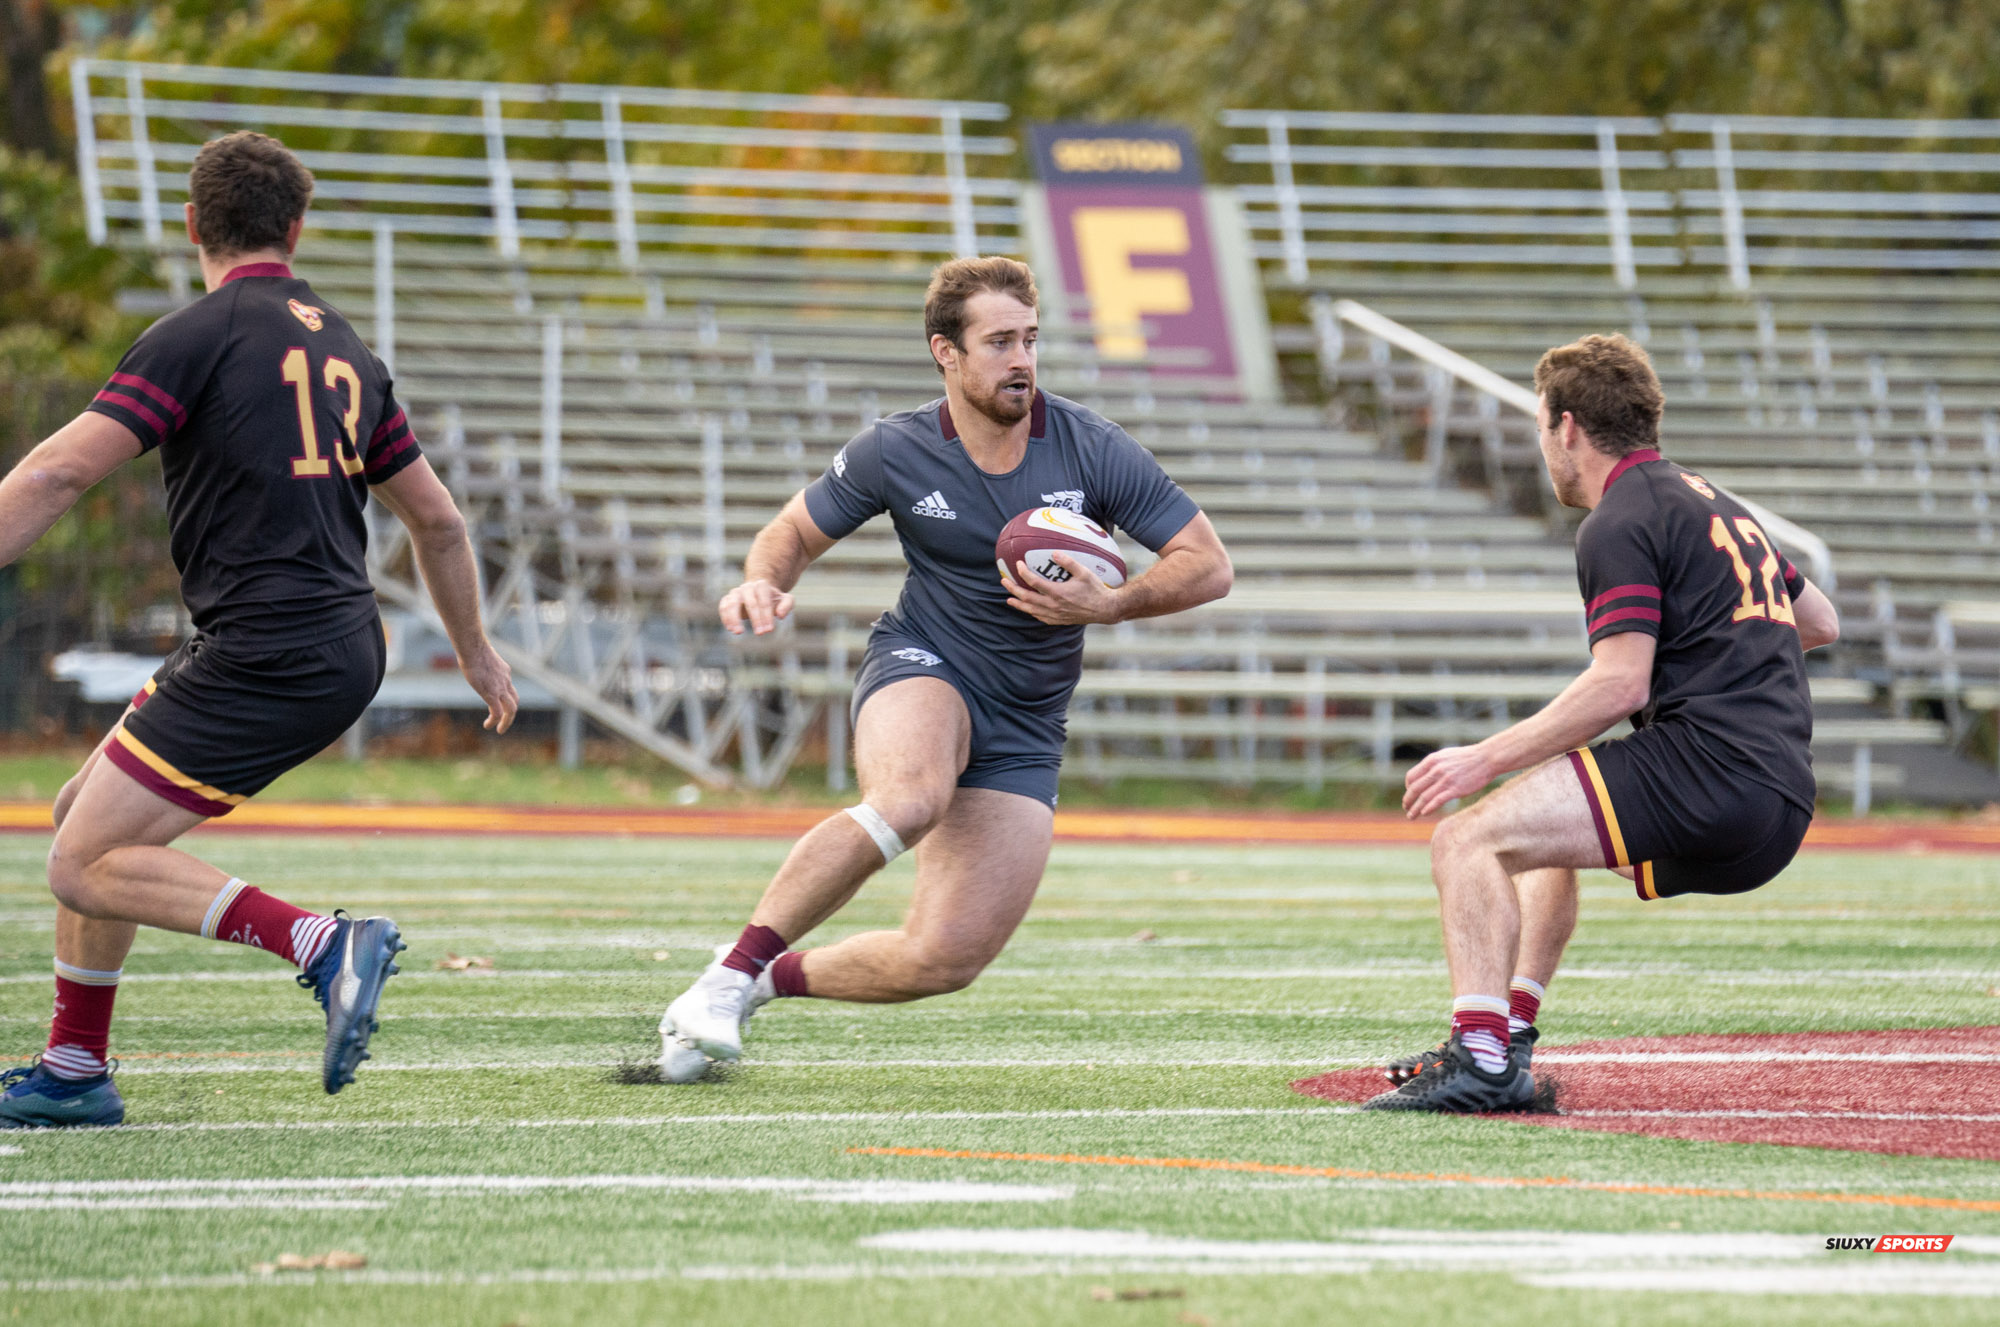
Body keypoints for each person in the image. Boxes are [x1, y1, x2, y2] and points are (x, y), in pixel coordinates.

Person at [0, 131, 518, 1128]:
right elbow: (439, 522)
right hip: (326, 642)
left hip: (269, 649)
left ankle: (322, 945)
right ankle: (72, 1068)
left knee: (77, 859)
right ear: (296, 226)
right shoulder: (347, 348)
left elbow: (60, 472)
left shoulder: (196, 334)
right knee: (83, 819)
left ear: (194, 225)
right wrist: (475, 651)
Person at [657, 256, 1232, 1080]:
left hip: (1028, 716)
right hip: (925, 660)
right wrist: (762, 581)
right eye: (999, 342)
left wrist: (1114, 604)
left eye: (1030, 340)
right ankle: (728, 974)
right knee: (911, 796)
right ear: (946, 352)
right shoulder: (897, 449)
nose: (1022, 360)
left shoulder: (1091, 446)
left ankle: (760, 980)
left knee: (943, 958)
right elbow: (790, 532)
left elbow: (1208, 565)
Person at [1368, 333, 1839, 1112]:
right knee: (1548, 825)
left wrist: (1480, 757)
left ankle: (1479, 1055)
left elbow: (1619, 684)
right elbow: (1818, 619)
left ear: (1568, 426)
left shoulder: (1618, 519)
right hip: (1780, 796)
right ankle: (1507, 1031)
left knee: (1467, 836)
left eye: (1539, 424)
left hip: (1711, 769)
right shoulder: (1711, 499)